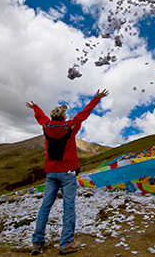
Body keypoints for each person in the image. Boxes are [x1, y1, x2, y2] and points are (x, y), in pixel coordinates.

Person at [26, 89, 109, 255]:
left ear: (52, 118)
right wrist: (96, 98)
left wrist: (35, 106)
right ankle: (65, 244)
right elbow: (84, 113)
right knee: (68, 207)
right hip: (68, 173)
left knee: (45, 207)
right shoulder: (71, 126)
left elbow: (40, 117)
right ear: (63, 117)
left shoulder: (46, 126)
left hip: (51, 174)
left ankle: (37, 242)